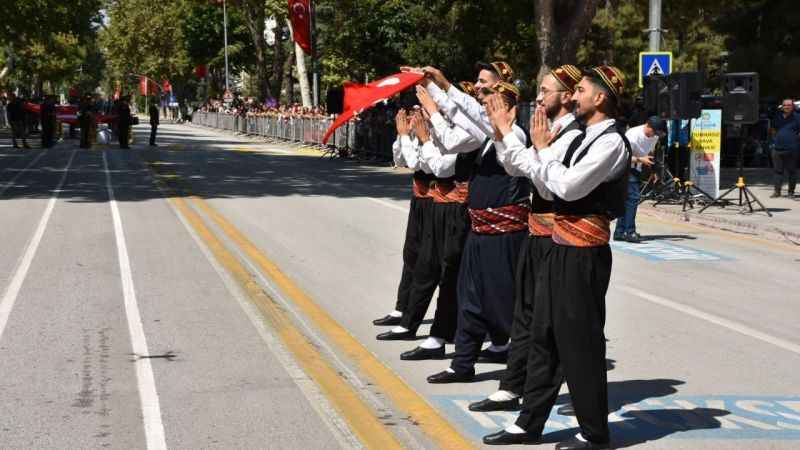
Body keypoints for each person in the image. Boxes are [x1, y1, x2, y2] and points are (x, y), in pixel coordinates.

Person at [482, 66, 630, 449]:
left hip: (584, 254)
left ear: (600, 98)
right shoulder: (587, 137)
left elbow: (567, 187)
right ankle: (528, 423)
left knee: (579, 343)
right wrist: (512, 137)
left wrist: (541, 150)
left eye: (580, 90)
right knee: (543, 337)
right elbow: (544, 182)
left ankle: (594, 433)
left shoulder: (610, 143)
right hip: (560, 246)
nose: (574, 96)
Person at [470, 64, 585, 413]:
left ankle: (581, 393)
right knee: (525, 315)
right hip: (537, 234)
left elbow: (550, 186)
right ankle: (511, 387)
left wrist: (519, 139)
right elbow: (515, 167)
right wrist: (502, 134)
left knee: (559, 321)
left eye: (545, 91)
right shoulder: (546, 130)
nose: (538, 97)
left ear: (567, 96)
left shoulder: (574, 136)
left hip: (561, 237)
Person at [422, 62, 531, 384]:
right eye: (486, 104)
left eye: (494, 105)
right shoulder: (485, 138)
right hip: (479, 231)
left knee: (504, 304)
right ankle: (462, 364)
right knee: (469, 299)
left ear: (510, 110)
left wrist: (442, 85)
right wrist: (433, 90)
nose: (486, 109)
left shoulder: (515, 135)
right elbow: (463, 116)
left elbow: (475, 115)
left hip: (504, 235)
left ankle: (528, 367)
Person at [373, 108, 436, 329]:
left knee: (429, 261)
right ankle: (401, 308)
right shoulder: (418, 135)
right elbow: (399, 160)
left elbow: (417, 163)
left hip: (436, 201)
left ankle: (416, 316)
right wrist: (404, 135)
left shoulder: (437, 135)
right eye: (414, 112)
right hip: (419, 199)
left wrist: (407, 136)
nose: (415, 116)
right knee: (410, 253)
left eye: (421, 111)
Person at [614, 116, 664, 242]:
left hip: (637, 168)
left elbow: (650, 153)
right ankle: (630, 232)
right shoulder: (633, 135)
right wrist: (640, 159)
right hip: (625, 167)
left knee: (627, 200)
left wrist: (654, 171)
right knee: (633, 198)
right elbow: (622, 156)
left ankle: (619, 232)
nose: (654, 135)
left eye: (657, 133)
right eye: (654, 132)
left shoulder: (654, 136)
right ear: (647, 126)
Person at [769, 99, 799, 198]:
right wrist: (774, 140)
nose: (787, 107)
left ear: (792, 106)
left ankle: (791, 192)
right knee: (778, 171)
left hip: (792, 149)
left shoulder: (797, 117)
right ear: (782, 106)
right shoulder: (777, 117)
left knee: (792, 171)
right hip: (777, 149)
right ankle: (777, 192)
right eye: (785, 105)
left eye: (789, 105)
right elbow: (773, 129)